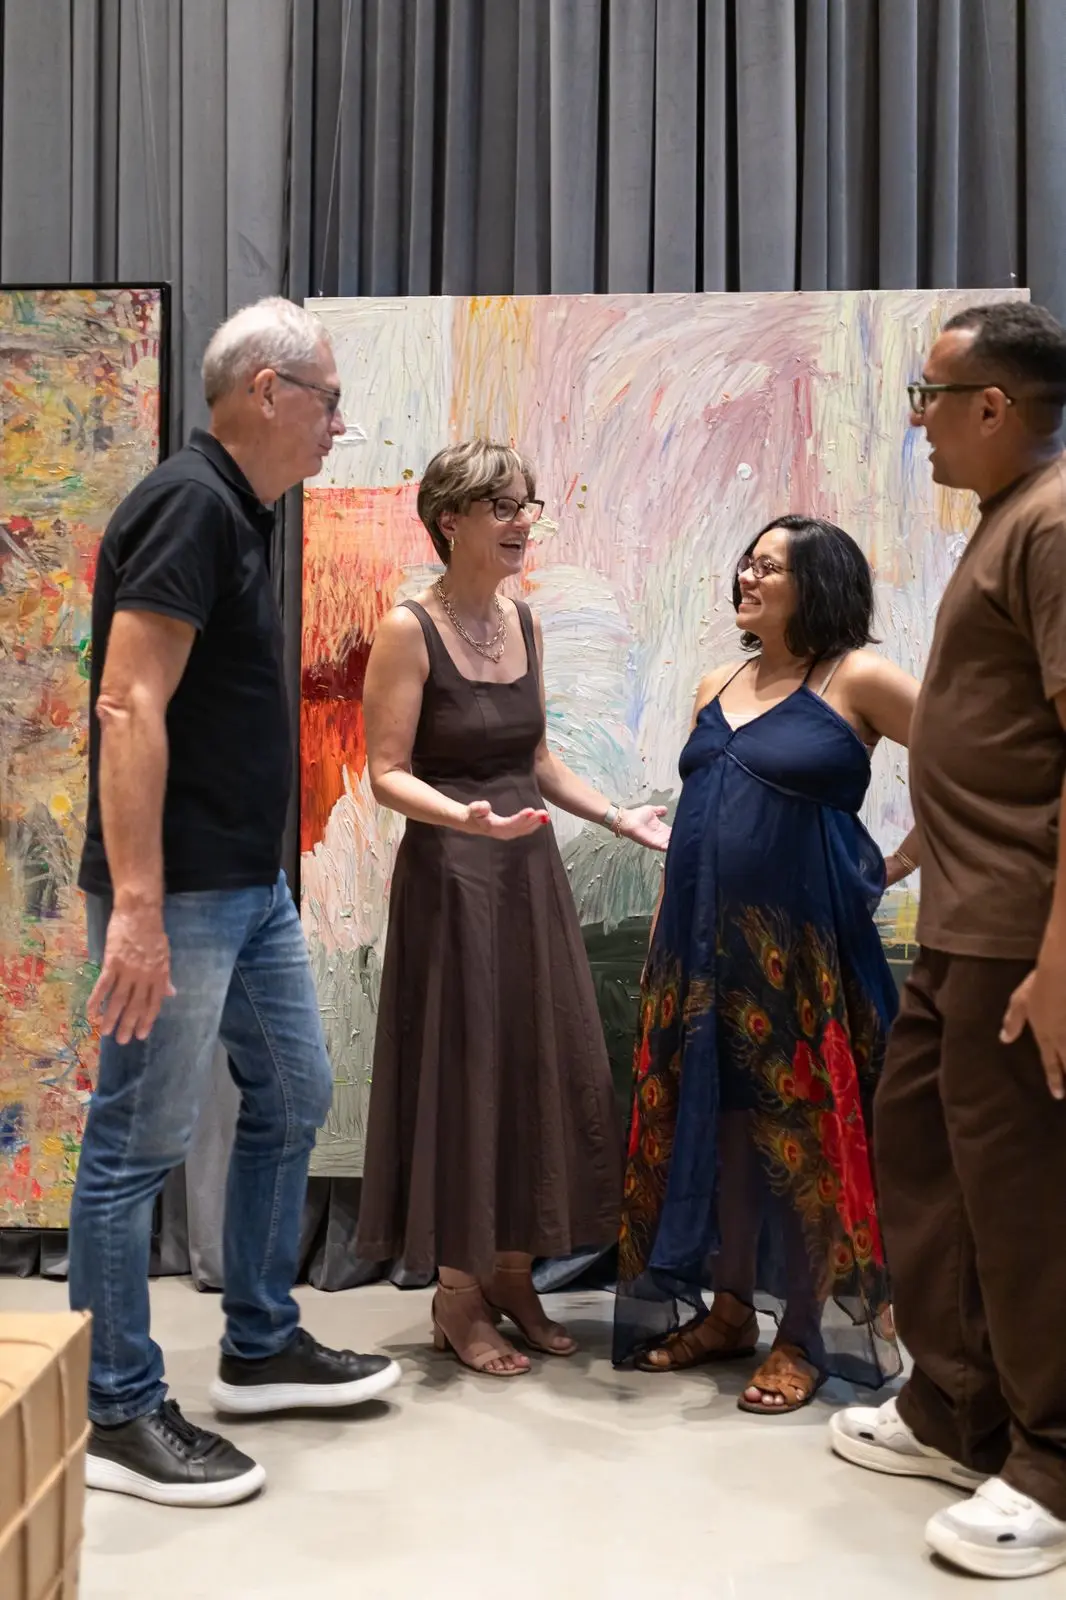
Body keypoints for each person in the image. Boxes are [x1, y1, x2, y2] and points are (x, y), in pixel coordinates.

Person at [70, 297, 400, 1508]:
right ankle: (113, 1408)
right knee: (134, 1144)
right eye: (326, 402)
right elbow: (127, 704)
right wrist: (138, 909)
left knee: (295, 1091)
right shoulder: (191, 504)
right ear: (268, 390)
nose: (335, 425)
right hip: (182, 893)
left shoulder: (242, 512)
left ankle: (260, 1340)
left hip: (245, 888)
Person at [829, 303, 1066, 1579]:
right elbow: (994, 732)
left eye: (931, 395)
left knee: (1021, 1199)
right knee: (921, 1145)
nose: (916, 419)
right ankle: (953, 1408)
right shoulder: (1005, 518)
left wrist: (1058, 960)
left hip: (1020, 931)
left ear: (993, 405)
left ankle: (1051, 1459)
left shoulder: (1054, 524)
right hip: (963, 917)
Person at [355, 439, 670, 1376]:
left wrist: (617, 817)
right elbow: (385, 772)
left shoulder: (525, 624)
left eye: (526, 505)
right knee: (465, 1072)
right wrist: (461, 818)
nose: (523, 522)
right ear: (449, 520)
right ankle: (455, 1296)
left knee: (532, 1066)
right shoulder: (408, 628)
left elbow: (537, 761)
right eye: (502, 506)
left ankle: (510, 1275)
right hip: (453, 879)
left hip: (526, 872)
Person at [614, 516, 920, 1413]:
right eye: (747, 562)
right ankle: (728, 1314)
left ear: (817, 584)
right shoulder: (717, 681)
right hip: (702, 952)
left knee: (804, 1140)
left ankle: (802, 1336)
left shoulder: (858, 678)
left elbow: (969, 764)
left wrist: (894, 865)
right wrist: (667, 930)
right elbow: (703, 813)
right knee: (728, 1134)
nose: (747, 577)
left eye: (770, 567)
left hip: (804, 959)